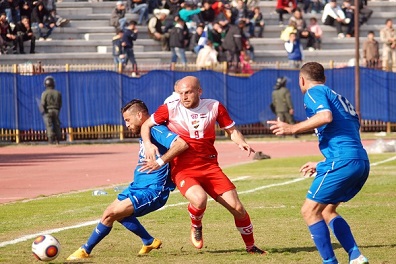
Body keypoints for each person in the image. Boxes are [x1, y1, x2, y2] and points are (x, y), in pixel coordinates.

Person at [140, 76, 266, 255]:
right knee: (199, 199)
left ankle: (251, 247)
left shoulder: (214, 106)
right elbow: (146, 124)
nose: (184, 96)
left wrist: (241, 142)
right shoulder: (170, 108)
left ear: (199, 91)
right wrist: (147, 143)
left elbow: (231, 130)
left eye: (188, 92)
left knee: (238, 208)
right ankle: (196, 224)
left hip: (209, 166)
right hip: (183, 168)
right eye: (181, 93)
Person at [267, 62, 370, 264]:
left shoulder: (314, 92)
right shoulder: (339, 98)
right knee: (327, 211)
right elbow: (346, 132)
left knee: (309, 211)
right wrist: (324, 163)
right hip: (359, 161)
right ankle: (356, 255)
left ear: (302, 80)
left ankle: (329, 262)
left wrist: (292, 129)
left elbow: (325, 117)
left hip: (343, 161)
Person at [66, 99, 188, 260]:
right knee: (114, 213)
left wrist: (160, 162)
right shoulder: (145, 134)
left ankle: (85, 250)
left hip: (153, 190)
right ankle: (148, 241)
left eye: (128, 120)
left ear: (139, 115)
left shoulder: (156, 130)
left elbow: (181, 144)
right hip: (137, 186)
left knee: (110, 213)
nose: (127, 125)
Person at [40, 76, 62, 144]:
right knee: (57, 124)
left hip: (47, 111)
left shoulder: (44, 93)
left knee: (49, 125)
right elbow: (60, 103)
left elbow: (43, 104)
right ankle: (58, 139)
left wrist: (42, 112)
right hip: (56, 110)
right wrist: (57, 109)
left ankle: (50, 140)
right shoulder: (58, 93)